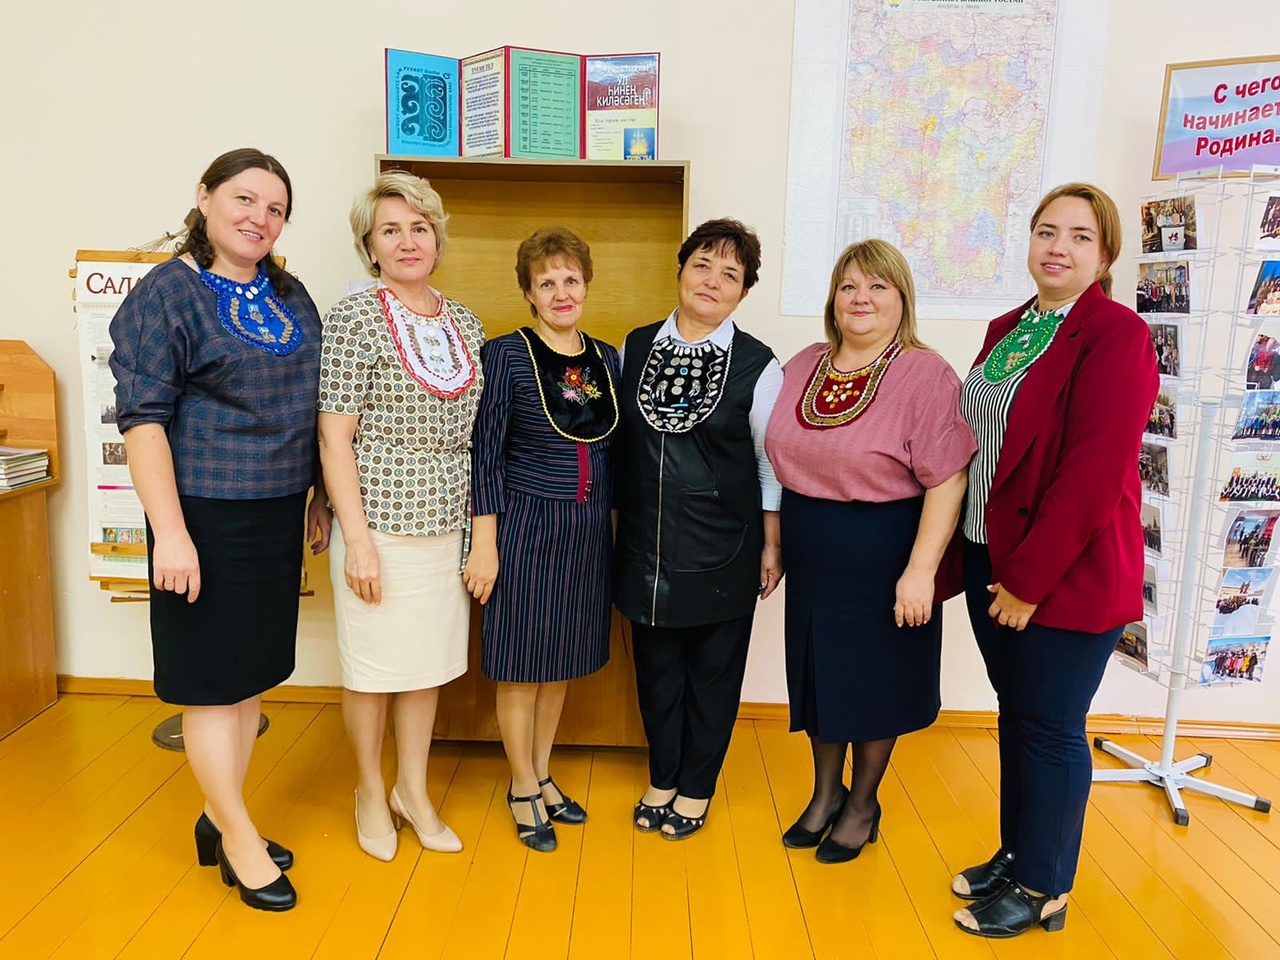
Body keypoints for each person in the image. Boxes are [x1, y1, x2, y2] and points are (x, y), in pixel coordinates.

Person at [110, 148, 329, 912]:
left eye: (275, 209)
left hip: (275, 512)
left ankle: (219, 815)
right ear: (204, 198)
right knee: (210, 685)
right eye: (244, 199)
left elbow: (315, 401)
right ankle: (239, 838)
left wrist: (319, 495)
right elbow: (143, 423)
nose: (258, 218)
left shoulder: (287, 291)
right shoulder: (166, 294)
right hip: (200, 515)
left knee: (246, 679)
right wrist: (170, 533)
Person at [952, 183, 1158, 938]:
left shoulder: (1117, 335)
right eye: (1046, 231)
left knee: (1052, 725)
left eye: (1079, 236)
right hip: (988, 557)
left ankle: (1045, 887)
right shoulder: (1011, 327)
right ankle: (1017, 855)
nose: (1058, 247)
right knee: (1019, 715)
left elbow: (1093, 472)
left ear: (1104, 256)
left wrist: (1028, 581)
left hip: (1061, 573)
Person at [764, 239, 974, 863]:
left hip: (886, 551)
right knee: (820, 676)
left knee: (874, 682)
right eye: (849, 285)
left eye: (878, 286)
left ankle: (862, 804)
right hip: (812, 550)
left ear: (902, 299)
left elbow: (948, 478)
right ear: (833, 298)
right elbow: (773, 457)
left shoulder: (924, 373)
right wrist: (775, 540)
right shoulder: (804, 364)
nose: (862, 298)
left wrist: (921, 571)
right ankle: (825, 793)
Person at [317, 172, 485, 862]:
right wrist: (356, 540)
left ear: (438, 239)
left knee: (425, 668)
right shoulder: (353, 318)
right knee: (372, 672)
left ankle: (412, 790)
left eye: (420, 228)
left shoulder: (466, 322)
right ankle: (368, 789)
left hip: (448, 525)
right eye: (390, 230)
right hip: (378, 526)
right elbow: (334, 437)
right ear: (369, 246)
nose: (408, 241)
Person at [614, 218, 783, 840]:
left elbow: (769, 464)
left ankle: (697, 787)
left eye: (729, 274)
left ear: (744, 292)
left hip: (725, 546)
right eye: (702, 265)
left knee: (713, 676)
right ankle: (663, 776)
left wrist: (772, 544)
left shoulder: (759, 365)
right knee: (656, 673)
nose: (712, 281)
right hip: (645, 546)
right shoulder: (635, 346)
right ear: (681, 270)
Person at [466, 227, 620, 852]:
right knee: (522, 664)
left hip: (588, 532)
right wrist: (485, 544)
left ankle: (543, 770)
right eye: (547, 282)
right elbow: (485, 455)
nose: (561, 292)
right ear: (529, 292)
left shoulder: (606, 358)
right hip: (524, 528)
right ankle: (522, 785)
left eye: (570, 280)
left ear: (586, 285)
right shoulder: (505, 355)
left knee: (562, 661)